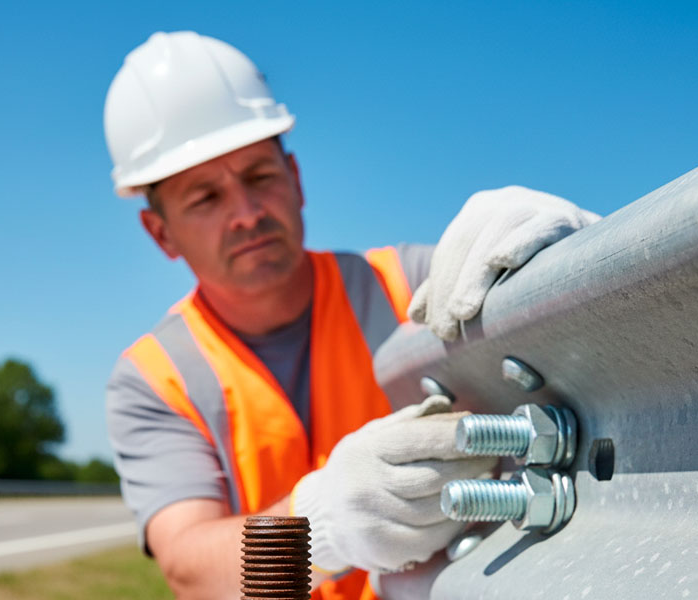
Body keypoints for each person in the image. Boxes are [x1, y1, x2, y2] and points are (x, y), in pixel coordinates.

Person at [104, 31, 598, 600]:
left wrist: (564, 254)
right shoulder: (155, 378)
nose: (246, 213)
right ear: (160, 232)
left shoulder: (410, 285)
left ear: (296, 180)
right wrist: (321, 531)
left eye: (260, 176)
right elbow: (192, 572)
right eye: (205, 198)